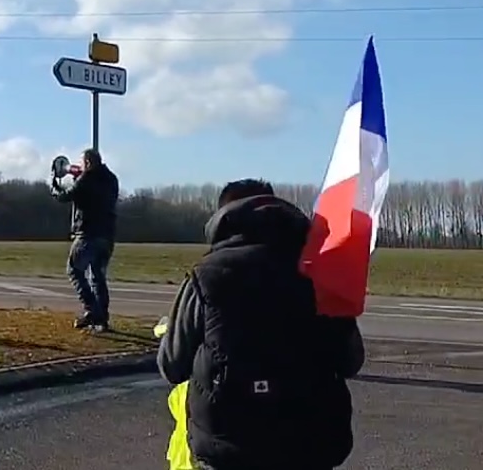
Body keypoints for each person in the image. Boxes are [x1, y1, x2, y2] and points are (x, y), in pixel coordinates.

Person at [156, 178, 365, 470]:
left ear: (221, 220)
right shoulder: (320, 276)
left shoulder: (206, 276)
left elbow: (173, 366)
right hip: (311, 441)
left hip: (228, 443)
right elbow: (351, 360)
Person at [50, 148, 119, 331]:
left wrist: (54, 185)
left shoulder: (85, 180)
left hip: (88, 234)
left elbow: (64, 196)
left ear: (88, 163)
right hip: (107, 236)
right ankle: (102, 319)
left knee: (74, 270)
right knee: (98, 276)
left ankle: (91, 310)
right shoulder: (112, 179)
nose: (79, 166)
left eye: (82, 163)